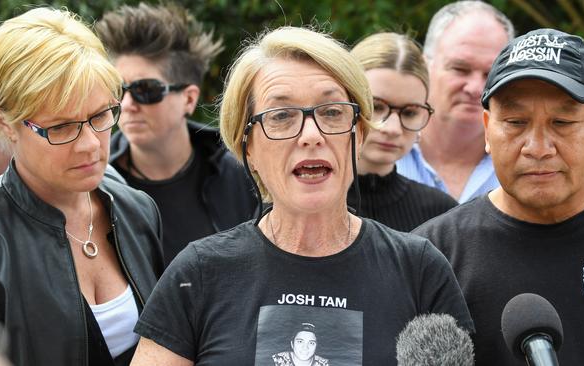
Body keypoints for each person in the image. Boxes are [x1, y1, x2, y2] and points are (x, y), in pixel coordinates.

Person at [129, 26, 473, 365]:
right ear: (246, 147)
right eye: (281, 116)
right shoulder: (199, 272)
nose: (311, 135)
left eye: (332, 112)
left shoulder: (420, 269)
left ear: (360, 133)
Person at [413, 28, 584, 365]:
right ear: (487, 129)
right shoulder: (431, 258)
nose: (538, 148)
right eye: (515, 122)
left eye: (563, 122)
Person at [0, 8, 164, 366]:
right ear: (6, 125)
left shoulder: (137, 209)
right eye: (60, 127)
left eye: (101, 115)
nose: (90, 144)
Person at [96, 3, 257, 264]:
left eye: (146, 90)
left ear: (189, 99)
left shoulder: (243, 174)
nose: (127, 105)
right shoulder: (98, 185)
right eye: (117, 90)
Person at [397, 1, 514, 203]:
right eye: (460, 69)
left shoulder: (523, 165)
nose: (475, 87)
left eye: (489, 73)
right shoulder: (378, 153)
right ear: (425, 66)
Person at [347, 32, 457, 232]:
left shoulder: (442, 214)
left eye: (409, 112)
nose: (393, 129)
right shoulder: (302, 205)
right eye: (376, 107)